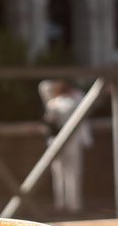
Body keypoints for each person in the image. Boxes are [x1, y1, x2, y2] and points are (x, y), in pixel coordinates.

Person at [39, 79, 93, 214]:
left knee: (59, 172)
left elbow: (44, 86)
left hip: (57, 141)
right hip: (71, 140)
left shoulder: (53, 103)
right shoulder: (75, 101)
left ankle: (61, 203)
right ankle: (74, 204)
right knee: (73, 172)